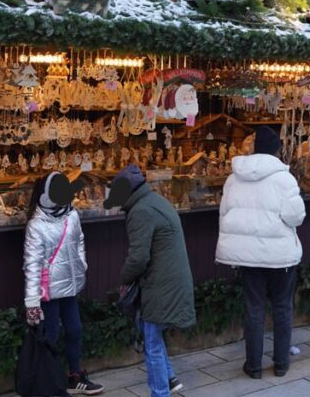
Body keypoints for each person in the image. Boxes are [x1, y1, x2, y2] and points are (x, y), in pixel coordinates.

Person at [215, 127, 305, 379]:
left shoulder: (233, 179)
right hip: (280, 255)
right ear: (277, 149)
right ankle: (281, 363)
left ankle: (253, 366)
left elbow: (224, 214)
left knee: (254, 308)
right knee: (282, 307)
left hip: (248, 256)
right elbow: (296, 216)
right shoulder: (284, 178)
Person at [105, 165, 194, 397]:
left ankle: (160, 392)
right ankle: (171, 379)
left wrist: (123, 280)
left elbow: (138, 257)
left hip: (160, 284)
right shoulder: (154, 200)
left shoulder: (140, 211)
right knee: (153, 333)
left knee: (152, 342)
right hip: (170, 279)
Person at [23, 172, 104, 396]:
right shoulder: (36, 225)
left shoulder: (72, 216)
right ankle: (50, 382)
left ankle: (74, 376)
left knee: (75, 329)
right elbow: (31, 265)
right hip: (48, 290)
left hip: (69, 284)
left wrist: (81, 265)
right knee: (50, 335)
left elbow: (79, 241)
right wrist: (31, 302)